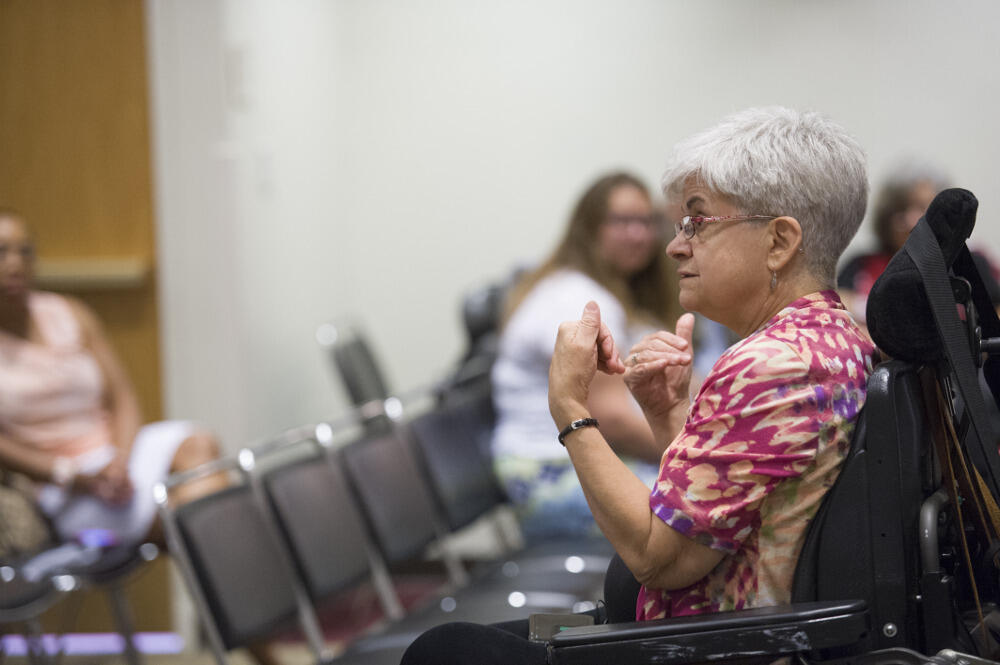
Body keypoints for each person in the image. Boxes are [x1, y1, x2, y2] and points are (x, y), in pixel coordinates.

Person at [401, 106, 877, 665]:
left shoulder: (774, 364)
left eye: (697, 222)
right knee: (473, 640)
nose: (674, 246)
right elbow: (720, 512)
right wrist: (670, 413)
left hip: (697, 646)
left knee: (446, 651)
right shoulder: (832, 337)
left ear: (779, 241)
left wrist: (569, 407)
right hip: (686, 626)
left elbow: (660, 557)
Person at [0, 208, 224, 549]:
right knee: (208, 517)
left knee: (198, 445)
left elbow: (121, 395)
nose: (15, 264)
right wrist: (74, 476)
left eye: (25, 251)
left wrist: (121, 459)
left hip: (116, 457)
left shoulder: (69, 312)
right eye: (2, 252)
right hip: (61, 484)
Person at [490, 171, 683, 542]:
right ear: (589, 228)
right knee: (694, 514)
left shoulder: (590, 288)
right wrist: (696, 458)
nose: (639, 234)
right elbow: (613, 419)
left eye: (646, 222)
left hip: (565, 459)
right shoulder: (580, 300)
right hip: (548, 472)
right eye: (622, 221)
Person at [838, 161, 1000, 323]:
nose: (911, 221)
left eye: (923, 208)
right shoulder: (861, 265)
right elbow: (838, 309)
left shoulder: (970, 264)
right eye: (901, 210)